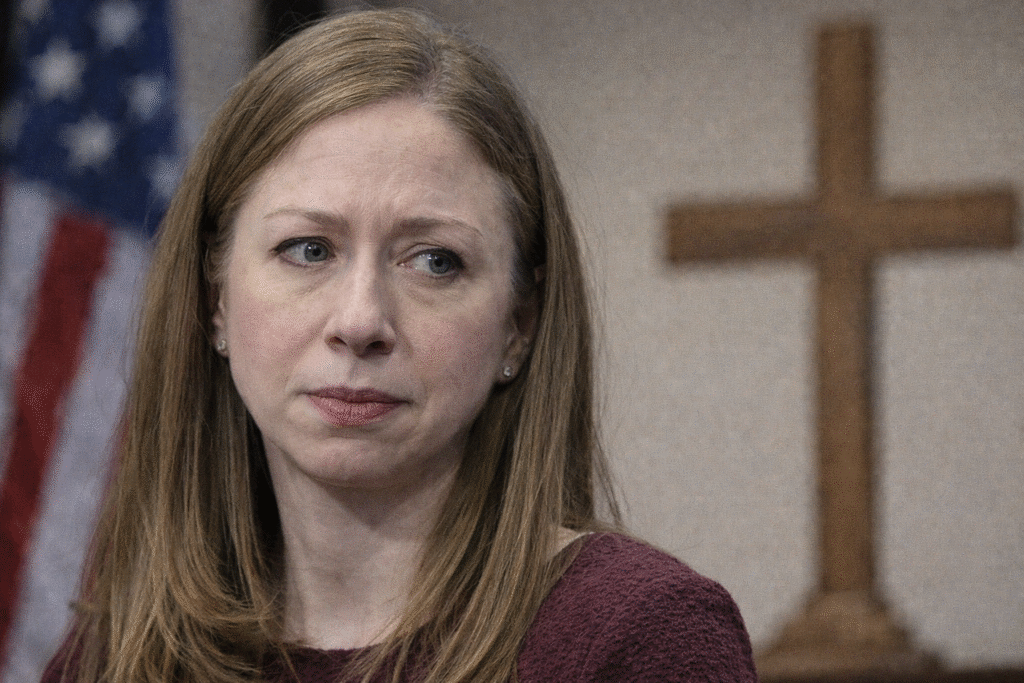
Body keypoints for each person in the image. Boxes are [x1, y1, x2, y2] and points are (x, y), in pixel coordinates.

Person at [42, 9, 758, 683]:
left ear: (521, 321)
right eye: (308, 248)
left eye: (434, 260)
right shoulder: (112, 657)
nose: (360, 320)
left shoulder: (641, 637)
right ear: (215, 301)